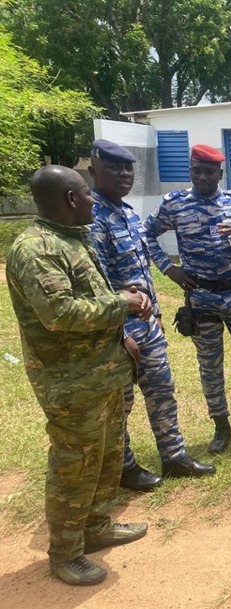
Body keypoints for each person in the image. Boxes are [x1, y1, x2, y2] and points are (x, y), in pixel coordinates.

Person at [5, 165, 151, 585]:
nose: (93, 200)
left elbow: (91, 299)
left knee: (106, 455)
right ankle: (66, 552)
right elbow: (61, 313)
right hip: (69, 383)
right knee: (75, 464)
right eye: (87, 194)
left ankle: (97, 526)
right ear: (71, 199)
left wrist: (120, 336)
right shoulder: (36, 249)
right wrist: (122, 303)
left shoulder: (72, 240)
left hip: (101, 373)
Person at [89, 140, 216, 491]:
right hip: (117, 330)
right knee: (121, 403)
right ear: (93, 171)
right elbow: (95, 285)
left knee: (162, 391)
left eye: (128, 168)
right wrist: (118, 328)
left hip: (147, 325)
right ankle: (125, 467)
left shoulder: (128, 214)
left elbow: (140, 271)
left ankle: (174, 456)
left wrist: (156, 314)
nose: (124, 174)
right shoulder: (91, 219)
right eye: (115, 168)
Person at [145, 144, 231, 453]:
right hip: (202, 298)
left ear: (220, 173)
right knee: (210, 367)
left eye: (209, 172)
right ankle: (221, 426)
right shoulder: (174, 204)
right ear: (190, 171)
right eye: (196, 171)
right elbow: (145, 234)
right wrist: (167, 268)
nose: (202, 177)